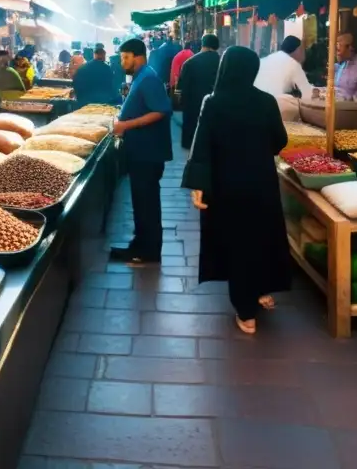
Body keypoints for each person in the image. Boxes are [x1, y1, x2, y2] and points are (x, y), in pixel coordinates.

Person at [183, 46, 291, 335]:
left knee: (238, 244)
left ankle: (247, 312)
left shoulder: (213, 102)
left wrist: (198, 186)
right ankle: (261, 291)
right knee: (261, 237)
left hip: (226, 187)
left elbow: (202, 144)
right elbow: (279, 140)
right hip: (261, 184)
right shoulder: (266, 102)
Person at [111, 38, 173, 265]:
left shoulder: (148, 78)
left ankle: (148, 251)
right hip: (141, 153)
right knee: (141, 202)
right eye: (121, 58)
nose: (122, 62)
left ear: (138, 57)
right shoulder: (141, 77)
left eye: (125, 57)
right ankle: (139, 246)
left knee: (147, 203)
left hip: (148, 154)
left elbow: (161, 111)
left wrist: (125, 125)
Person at [177, 34, 221, 150]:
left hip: (193, 108)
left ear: (203, 44)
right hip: (217, 108)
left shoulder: (189, 63)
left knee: (192, 144)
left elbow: (182, 89)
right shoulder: (222, 62)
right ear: (216, 46)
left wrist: (183, 104)